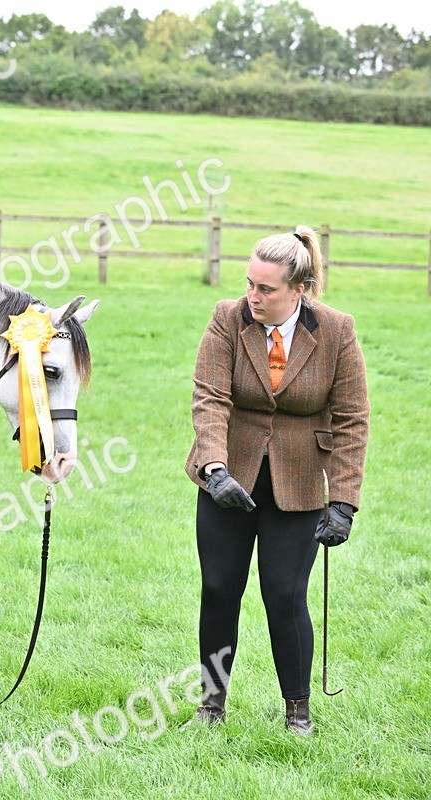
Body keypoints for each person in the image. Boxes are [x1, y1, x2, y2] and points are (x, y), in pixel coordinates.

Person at [183, 225, 369, 735]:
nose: (253, 296)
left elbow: (352, 419)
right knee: (220, 589)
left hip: (301, 485)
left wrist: (344, 501)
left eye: (266, 289)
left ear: (298, 290)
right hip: (229, 480)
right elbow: (210, 399)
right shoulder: (227, 318)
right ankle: (211, 706)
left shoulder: (336, 330)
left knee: (284, 595)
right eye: (249, 283)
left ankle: (298, 712)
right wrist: (214, 468)